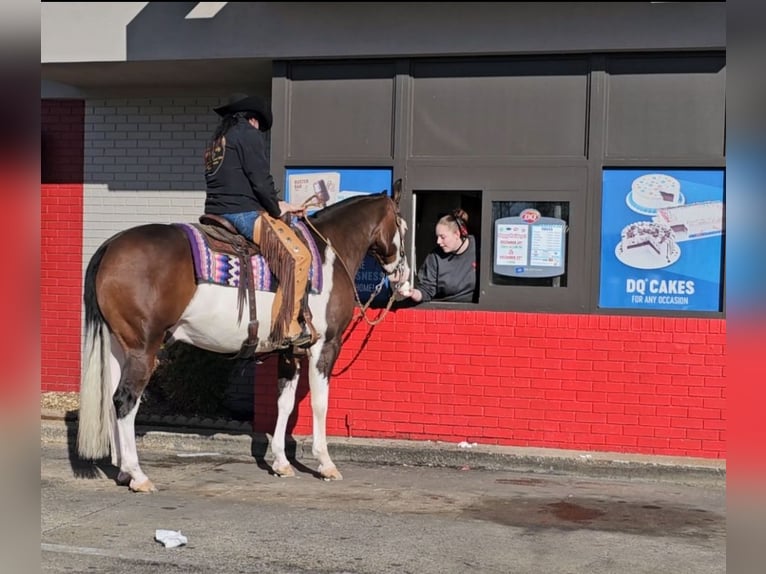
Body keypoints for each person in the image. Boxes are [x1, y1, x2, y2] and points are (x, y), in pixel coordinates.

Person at [203, 93, 313, 349]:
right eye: (260, 126)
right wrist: (276, 209)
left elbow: (237, 183)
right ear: (253, 119)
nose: (260, 131)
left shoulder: (218, 141)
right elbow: (260, 181)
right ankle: (287, 328)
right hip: (242, 214)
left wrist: (282, 204)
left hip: (215, 213)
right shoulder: (248, 134)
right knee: (299, 257)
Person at [395, 209, 478, 303]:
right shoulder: (434, 257)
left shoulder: (479, 248)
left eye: (442, 237)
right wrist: (413, 293)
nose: (438, 242)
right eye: (437, 237)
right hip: (445, 308)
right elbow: (426, 290)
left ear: (457, 234)